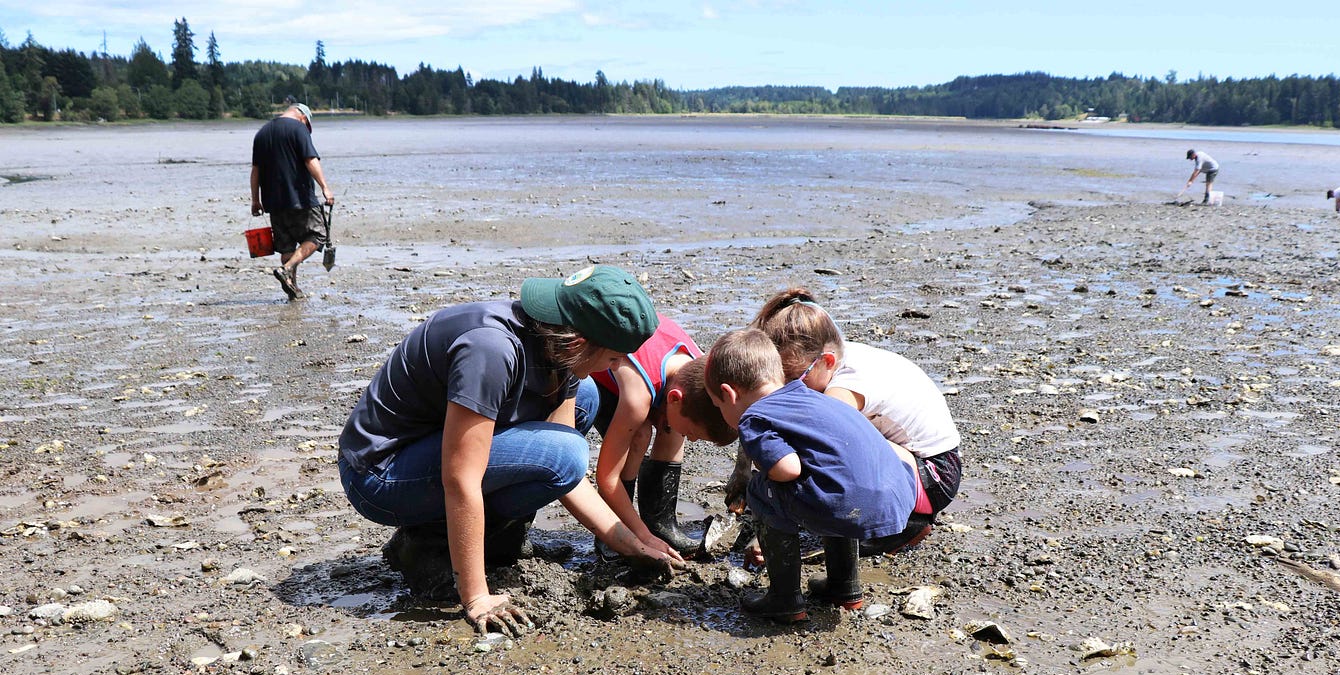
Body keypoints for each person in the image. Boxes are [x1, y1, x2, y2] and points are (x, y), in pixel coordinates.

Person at [338, 264, 681, 636]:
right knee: (565, 453)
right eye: (614, 358)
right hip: (378, 475)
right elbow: (462, 479)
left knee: (584, 399)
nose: (615, 368)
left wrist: (631, 542)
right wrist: (476, 597)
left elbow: (564, 473)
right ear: (579, 341)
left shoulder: (556, 345)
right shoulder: (490, 350)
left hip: (429, 450)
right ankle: (428, 544)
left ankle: (496, 539)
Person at [729, 287, 961, 557]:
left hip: (934, 475)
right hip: (919, 465)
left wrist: (771, 526)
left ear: (826, 361)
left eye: (794, 379)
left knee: (817, 455)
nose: (786, 389)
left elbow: (828, 454)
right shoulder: (831, 354)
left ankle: (904, 525)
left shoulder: (843, 389)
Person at [704, 328, 917, 623]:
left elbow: (787, 468)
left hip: (850, 506)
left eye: (717, 407)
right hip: (896, 498)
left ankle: (785, 599)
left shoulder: (754, 418)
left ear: (728, 394)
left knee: (761, 489)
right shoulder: (816, 397)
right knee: (832, 479)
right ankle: (844, 586)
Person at [587, 329, 737, 558]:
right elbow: (607, 479)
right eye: (693, 433)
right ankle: (615, 529)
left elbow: (683, 414)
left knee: (673, 425)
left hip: (655, 378)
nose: (692, 439)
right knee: (640, 434)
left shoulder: (701, 370)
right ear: (675, 398)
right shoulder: (638, 398)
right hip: (597, 376)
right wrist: (640, 536)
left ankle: (661, 523)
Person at [251, 102, 334, 300]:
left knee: (287, 245)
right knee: (319, 234)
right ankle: (287, 269)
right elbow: (310, 159)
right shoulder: (298, 128)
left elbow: (256, 170)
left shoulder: (262, 133)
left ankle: (292, 289)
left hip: (273, 201)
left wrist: (255, 200)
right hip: (300, 197)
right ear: (303, 117)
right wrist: (325, 187)